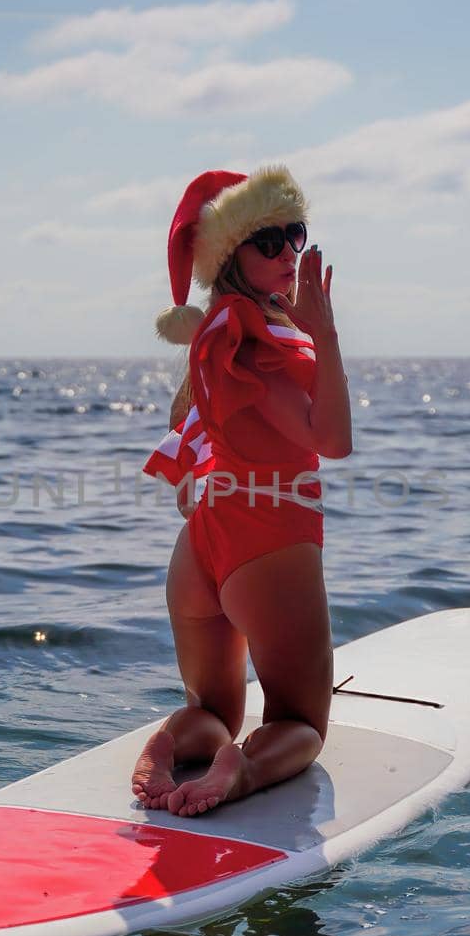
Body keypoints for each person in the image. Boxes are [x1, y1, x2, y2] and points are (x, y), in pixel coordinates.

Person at [133, 166, 353, 817]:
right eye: (268, 242)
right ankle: (245, 769)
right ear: (233, 257)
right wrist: (326, 334)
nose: (289, 252)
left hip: (201, 548)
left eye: (296, 235)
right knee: (302, 722)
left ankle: (172, 741)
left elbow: (190, 427)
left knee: (214, 710)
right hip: (269, 547)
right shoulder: (263, 345)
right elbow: (331, 438)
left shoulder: (210, 340)